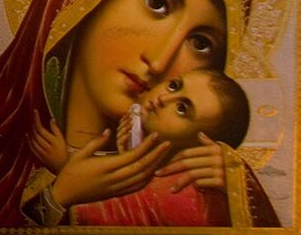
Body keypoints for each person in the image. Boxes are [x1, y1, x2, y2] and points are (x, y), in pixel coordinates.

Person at [0, 0, 279, 228]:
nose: (160, 63)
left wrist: (237, 188)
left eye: (200, 43)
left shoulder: (205, 191)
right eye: (156, 3)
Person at [27, 68, 257, 226]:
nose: (164, 99)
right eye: (174, 86)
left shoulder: (182, 192)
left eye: (182, 109)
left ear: (200, 145)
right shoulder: (146, 166)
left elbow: (95, 220)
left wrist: (63, 178)